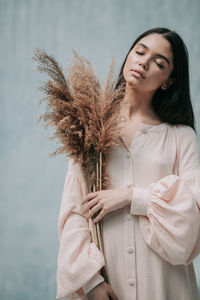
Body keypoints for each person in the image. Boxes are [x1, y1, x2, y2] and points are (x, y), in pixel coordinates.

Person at [56, 27, 200, 300]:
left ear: (168, 80)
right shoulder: (89, 128)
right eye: (140, 51)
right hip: (108, 279)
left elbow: (193, 218)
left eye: (159, 62)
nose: (144, 62)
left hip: (164, 284)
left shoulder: (182, 137)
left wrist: (131, 197)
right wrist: (90, 281)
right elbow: (73, 212)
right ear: (128, 57)